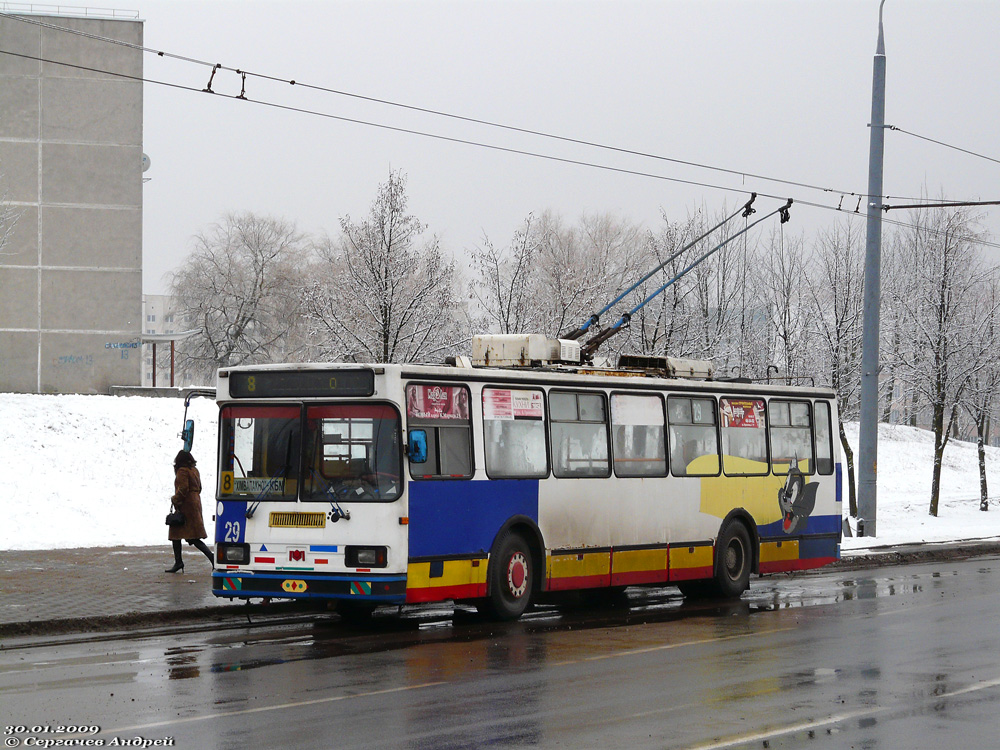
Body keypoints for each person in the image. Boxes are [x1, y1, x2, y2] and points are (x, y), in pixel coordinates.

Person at [165, 449, 214, 573]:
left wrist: (175, 499)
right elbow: (199, 487)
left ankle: (179, 562)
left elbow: (183, 488)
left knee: (176, 533)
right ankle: (211, 558)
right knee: (193, 536)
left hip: (186, 505)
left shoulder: (182, 471)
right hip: (195, 503)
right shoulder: (194, 470)